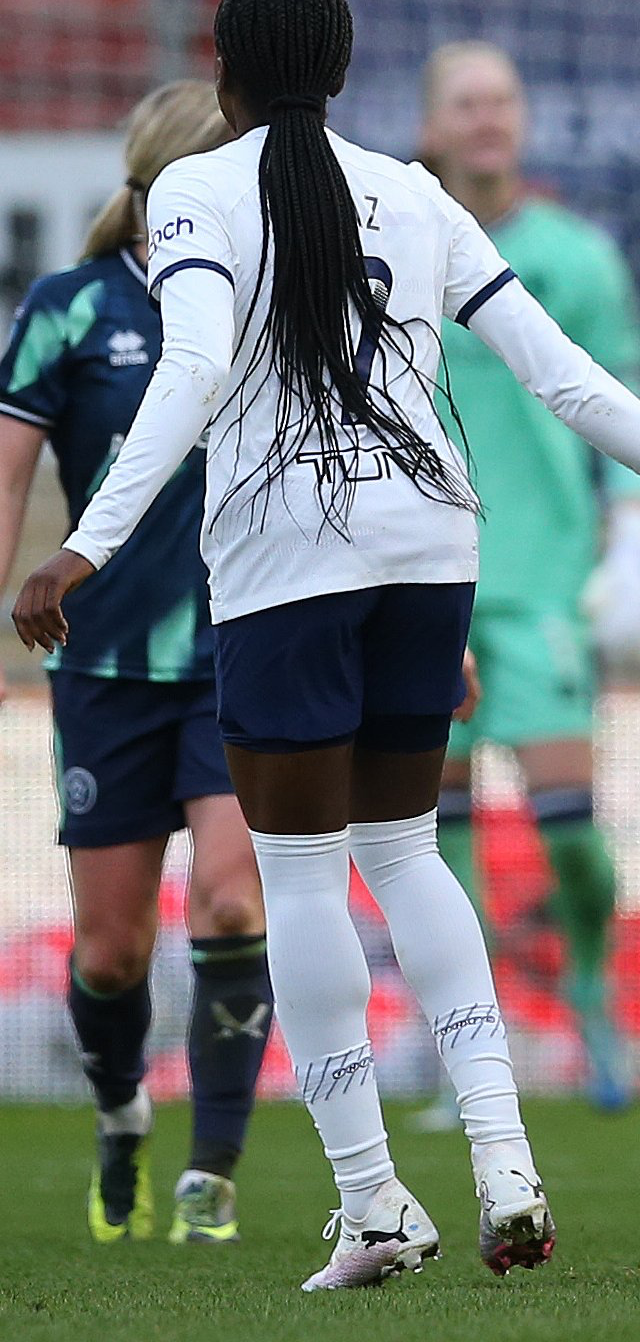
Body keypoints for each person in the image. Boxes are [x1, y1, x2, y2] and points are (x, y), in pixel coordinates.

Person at [11, 0, 640, 1291]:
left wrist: (82, 544)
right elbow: (567, 378)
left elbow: (197, 370)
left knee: (310, 877)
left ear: (228, 73)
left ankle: (375, 1200)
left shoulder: (198, 193)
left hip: (287, 563)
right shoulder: (416, 190)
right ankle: (504, 1161)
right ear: (344, 68)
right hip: (431, 549)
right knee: (408, 852)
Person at [0, 80, 273, 1247]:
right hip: (105, 665)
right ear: (166, 182)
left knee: (231, 896)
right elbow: (11, 468)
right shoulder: (69, 308)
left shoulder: (265, 304)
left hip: (243, 653)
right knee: (111, 954)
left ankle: (213, 1170)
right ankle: (121, 1113)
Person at [416, 41, 640, 1113]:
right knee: (438, 843)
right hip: (423, 583)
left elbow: (620, 400)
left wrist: (637, 537)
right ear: (431, 125)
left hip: (543, 580)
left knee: (570, 833)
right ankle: (480, 1052)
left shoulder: (576, 256)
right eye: (465, 104)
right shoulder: (395, 244)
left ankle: (594, 998)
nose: (486, 120)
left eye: (501, 102)